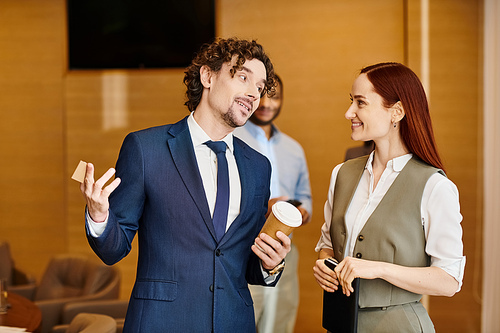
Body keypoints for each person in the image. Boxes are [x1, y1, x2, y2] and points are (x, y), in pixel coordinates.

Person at [79, 37, 292, 332]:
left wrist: (270, 264)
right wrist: (100, 216)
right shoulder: (145, 148)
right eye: (243, 77)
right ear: (207, 76)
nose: (253, 94)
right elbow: (114, 250)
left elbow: (242, 264)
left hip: (235, 323)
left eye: (259, 87)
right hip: (162, 322)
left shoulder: (258, 167)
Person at [313, 62, 465, 332]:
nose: (349, 112)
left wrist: (379, 269)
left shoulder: (434, 186)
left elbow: (449, 279)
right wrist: (324, 264)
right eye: (351, 101)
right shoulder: (342, 174)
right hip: (340, 322)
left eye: (361, 103)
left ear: (396, 112)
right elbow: (328, 244)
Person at [234, 74, 312, 333]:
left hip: (286, 247)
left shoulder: (294, 149)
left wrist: (299, 212)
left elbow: (307, 199)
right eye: (262, 95)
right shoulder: (233, 140)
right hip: (245, 244)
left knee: (281, 320)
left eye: (274, 96)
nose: (267, 103)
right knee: (245, 317)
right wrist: (263, 206)